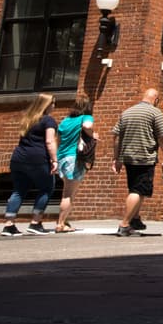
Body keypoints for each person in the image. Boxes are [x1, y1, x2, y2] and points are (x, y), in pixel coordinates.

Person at [111, 88, 163, 237]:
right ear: (156, 100)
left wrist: (116, 158)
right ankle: (124, 224)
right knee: (137, 190)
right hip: (144, 157)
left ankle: (135, 219)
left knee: (136, 188)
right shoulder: (155, 113)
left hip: (128, 157)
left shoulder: (127, 112)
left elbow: (117, 137)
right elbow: (162, 137)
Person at [2, 93, 59, 236]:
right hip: (38, 159)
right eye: (53, 103)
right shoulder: (48, 120)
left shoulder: (27, 119)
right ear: (46, 105)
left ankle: (9, 225)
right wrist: (55, 160)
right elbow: (49, 141)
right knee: (46, 188)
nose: (54, 106)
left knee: (18, 190)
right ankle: (35, 223)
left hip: (18, 158)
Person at [54, 93, 97, 232]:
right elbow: (87, 126)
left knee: (66, 191)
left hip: (62, 157)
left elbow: (58, 141)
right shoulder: (85, 117)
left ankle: (64, 221)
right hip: (75, 158)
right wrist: (92, 135)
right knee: (69, 194)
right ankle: (60, 224)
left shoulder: (65, 121)